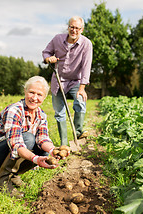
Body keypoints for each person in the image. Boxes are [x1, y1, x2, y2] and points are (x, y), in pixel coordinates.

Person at [0, 76, 67, 197]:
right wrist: (35, 159)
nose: (34, 98)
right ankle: (2, 181)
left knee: (43, 150)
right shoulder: (14, 110)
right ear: (25, 91)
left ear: (44, 97)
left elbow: (42, 139)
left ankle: (14, 175)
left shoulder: (41, 115)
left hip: (8, 151)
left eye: (39, 94)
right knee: (28, 138)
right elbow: (16, 144)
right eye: (31, 92)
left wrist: (53, 150)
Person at [42, 15, 93, 146]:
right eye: (71, 27)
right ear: (68, 27)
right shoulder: (57, 39)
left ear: (81, 29)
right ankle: (64, 144)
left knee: (80, 102)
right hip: (58, 81)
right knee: (59, 113)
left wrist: (82, 88)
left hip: (75, 81)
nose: (74, 30)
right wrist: (49, 59)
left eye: (77, 28)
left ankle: (78, 132)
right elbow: (46, 52)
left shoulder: (86, 44)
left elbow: (86, 66)